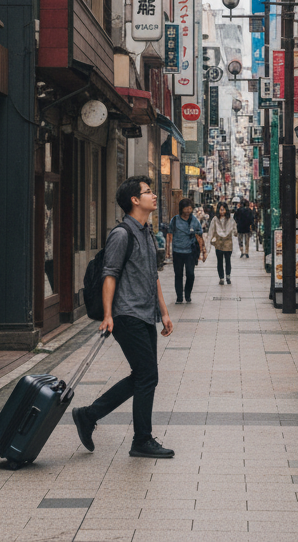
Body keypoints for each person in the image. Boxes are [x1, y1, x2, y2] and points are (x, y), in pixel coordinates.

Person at [72, 177, 175, 459]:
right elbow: (110, 274)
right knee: (147, 376)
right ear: (134, 200)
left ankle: (88, 415)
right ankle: (141, 439)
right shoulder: (121, 234)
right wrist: (108, 315)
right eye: (148, 192)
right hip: (126, 315)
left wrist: (164, 312)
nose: (154, 195)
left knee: (144, 376)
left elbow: (152, 276)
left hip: (146, 314)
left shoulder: (146, 231)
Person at [166, 199, 207, 304]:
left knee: (190, 274)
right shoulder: (175, 220)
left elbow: (199, 236)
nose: (188, 210)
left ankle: (187, 294)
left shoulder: (194, 221)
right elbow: (169, 235)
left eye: (190, 208)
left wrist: (203, 251)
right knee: (178, 275)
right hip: (177, 252)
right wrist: (167, 250)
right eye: (186, 208)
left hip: (190, 252)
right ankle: (179, 297)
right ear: (181, 209)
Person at [207, 201, 237, 285]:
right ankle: (221, 278)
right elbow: (211, 230)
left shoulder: (230, 219)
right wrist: (209, 242)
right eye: (221, 209)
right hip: (219, 243)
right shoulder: (215, 219)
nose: (222, 211)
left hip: (228, 243)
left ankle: (228, 276)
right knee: (219, 261)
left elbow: (235, 230)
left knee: (228, 260)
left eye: (223, 209)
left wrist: (235, 232)